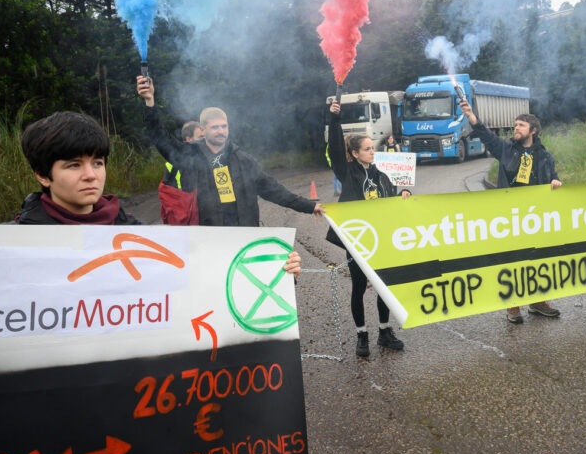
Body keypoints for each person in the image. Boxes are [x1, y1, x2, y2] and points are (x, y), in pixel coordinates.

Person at [15, 109, 302, 275]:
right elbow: (161, 141)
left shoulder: (133, 230)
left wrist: (278, 268)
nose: (90, 175)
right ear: (42, 175)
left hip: (236, 238)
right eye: (74, 165)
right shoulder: (15, 243)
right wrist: (149, 106)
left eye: (98, 163)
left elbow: (188, 271)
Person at [137, 76, 325, 227]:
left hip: (243, 239)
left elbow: (274, 190)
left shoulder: (244, 160)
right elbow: (160, 138)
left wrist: (309, 206)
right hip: (205, 241)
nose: (221, 131)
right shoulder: (189, 156)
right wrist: (150, 103)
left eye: (224, 127)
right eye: (215, 127)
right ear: (202, 130)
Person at [459, 99, 563, 323]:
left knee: (536, 259)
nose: (515, 128)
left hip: (536, 218)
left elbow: (554, 178)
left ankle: (537, 302)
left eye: (521, 126)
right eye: (515, 125)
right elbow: (486, 134)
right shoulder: (505, 150)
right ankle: (513, 305)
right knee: (513, 260)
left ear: (533, 131)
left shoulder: (545, 157)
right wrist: (471, 115)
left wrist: (556, 183)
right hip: (510, 218)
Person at [328, 99, 411, 357]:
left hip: (381, 240)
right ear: (354, 153)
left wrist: (404, 193)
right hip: (358, 241)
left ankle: (385, 332)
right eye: (366, 149)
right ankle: (361, 334)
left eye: (371, 148)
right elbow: (333, 146)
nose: (371, 152)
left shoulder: (380, 173)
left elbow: (390, 197)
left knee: (384, 286)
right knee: (359, 287)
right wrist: (334, 120)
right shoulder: (347, 172)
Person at [163, 120, 202, 190]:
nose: (204, 140)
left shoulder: (207, 155)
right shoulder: (177, 162)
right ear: (188, 139)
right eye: (201, 137)